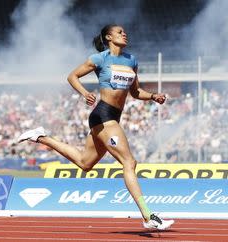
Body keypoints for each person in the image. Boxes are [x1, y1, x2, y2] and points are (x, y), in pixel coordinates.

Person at [18, 24, 174, 230]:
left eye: (124, 32)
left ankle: (40, 137)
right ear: (109, 37)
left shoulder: (131, 60)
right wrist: (85, 93)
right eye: (120, 32)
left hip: (113, 118)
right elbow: (72, 76)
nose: (124, 34)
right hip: (103, 115)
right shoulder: (100, 58)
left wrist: (153, 96)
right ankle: (148, 216)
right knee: (129, 161)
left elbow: (135, 92)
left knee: (85, 163)